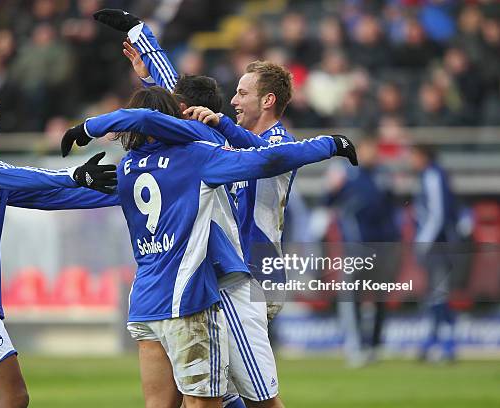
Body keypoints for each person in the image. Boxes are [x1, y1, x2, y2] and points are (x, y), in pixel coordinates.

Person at [91, 11, 357, 407]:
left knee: (254, 398)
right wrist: (143, 41)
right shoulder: (225, 139)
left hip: (247, 276)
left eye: (242, 94)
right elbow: (179, 101)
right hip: (224, 275)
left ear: (267, 101)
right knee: (210, 390)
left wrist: (331, 143)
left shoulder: (276, 141)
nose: (232, 101)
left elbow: (268, 156)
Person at [0, 75, 117, 407]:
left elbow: (48, 196)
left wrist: (121, 194)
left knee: (4, 399)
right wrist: (73, 173)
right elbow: (16, 175)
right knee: (14, 398)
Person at [324, 137, 400, 366]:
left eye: (373, 149)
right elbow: (328, 202)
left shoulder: (383, 174)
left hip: (383, 247)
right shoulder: (347, 174)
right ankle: (354, 347)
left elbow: (392, 207)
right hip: (355, 248)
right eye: (367, 149)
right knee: (351, 297)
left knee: (379, 297)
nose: (370, 153)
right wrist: (332, 188)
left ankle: (375, 346)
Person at [409, 144, 458, 362]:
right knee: (435, 292)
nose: (412, 161)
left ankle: (446, 343)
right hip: (437, 243)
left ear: (423, 156)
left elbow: (437, 215)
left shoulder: (432, 176)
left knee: (439, 292)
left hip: (439, 244)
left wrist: (422, 241)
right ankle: (434, 339)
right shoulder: (430, 176)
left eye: (414, 156)